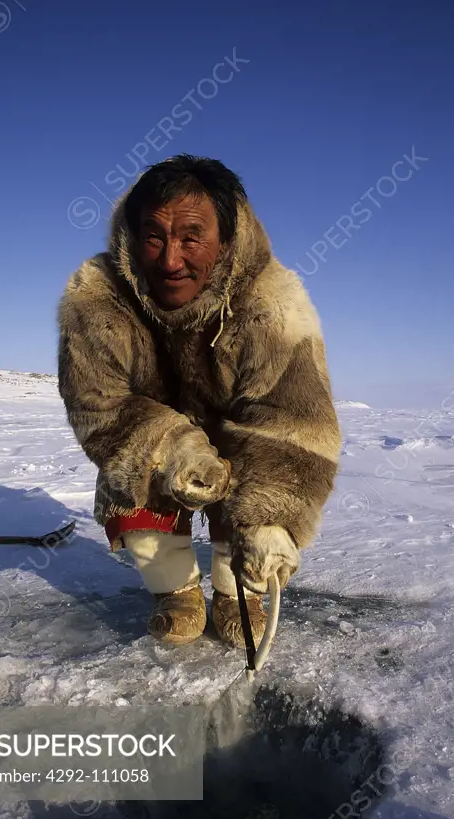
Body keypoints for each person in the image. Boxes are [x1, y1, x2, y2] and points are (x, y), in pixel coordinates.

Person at [57, 155, 341, 649]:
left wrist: (274, 519)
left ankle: (238, 596)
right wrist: (174, 448)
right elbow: (97, 405)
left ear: (226, 241)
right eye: (153, 237)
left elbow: (297, 424)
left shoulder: (274, 306)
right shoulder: (97, 299)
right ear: (130, 236)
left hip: (242, 448)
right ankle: (176, 592)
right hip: (153, 443)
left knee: (259, 490)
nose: (170, 260)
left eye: (191, 237)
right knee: (134, 481)